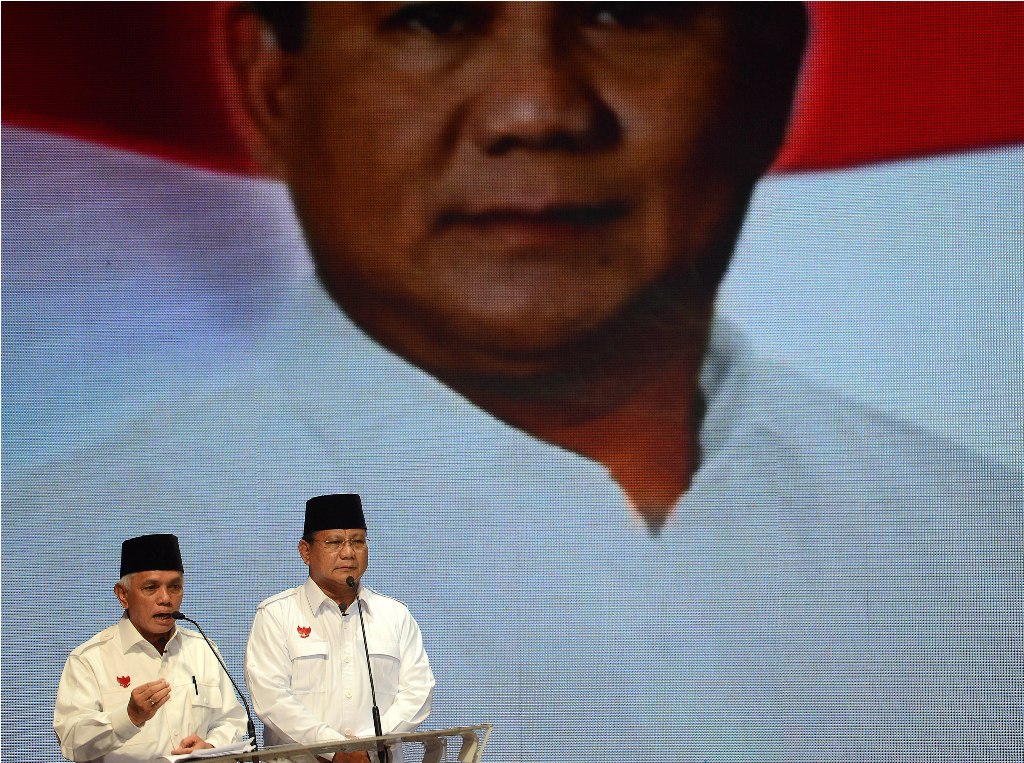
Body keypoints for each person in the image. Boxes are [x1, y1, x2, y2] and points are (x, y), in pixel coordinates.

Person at [227, 2, 808, 529]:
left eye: (624, 15)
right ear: (274, 90)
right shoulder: (189, 524)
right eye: (437, 19)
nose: (536, 113)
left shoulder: (868, 508)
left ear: (768, 79)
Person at [245, 494, 435, 762]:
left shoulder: (395, 615)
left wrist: (368, 746)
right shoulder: (276, 615)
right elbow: (272, 699)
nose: (348, 552)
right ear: (305, 552)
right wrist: (334, 750)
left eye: (358, 541)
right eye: (334, 542)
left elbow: (417, 693)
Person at [53, 534, 249, 763]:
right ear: (123, 595)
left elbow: (231, 720)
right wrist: (130, 716)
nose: (165, 598)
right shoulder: (89, 659)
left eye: (175, 587)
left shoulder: (202, 649)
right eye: (151, 588)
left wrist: (211, 745)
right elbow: (71, 742)